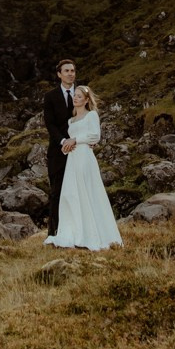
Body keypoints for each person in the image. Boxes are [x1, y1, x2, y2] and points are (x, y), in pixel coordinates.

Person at [45, 86, 121, 250]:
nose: (76, 98)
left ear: (87, 100)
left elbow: (95, 135)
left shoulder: (91, 115)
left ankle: (92, 233)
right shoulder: (70, 121)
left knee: (87, 191)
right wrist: (67, 145)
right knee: (72, 193)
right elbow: (70, 138)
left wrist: (75, 140)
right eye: (75, 96)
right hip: (72, 159)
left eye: (80, 96)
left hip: (85, 158)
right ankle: (74, 230)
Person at [42, 59, 78, 237]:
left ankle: (77, 229)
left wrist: (79, 140)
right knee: (57, 192)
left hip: (79, 151)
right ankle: (54, 232)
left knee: (78, 191)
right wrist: (63, 141)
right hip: (58, 151)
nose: (70, 73)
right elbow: (50, 124)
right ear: (59, 74)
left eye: (72, 70)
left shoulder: (82, 94)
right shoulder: (50, 96)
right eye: (67, 71)